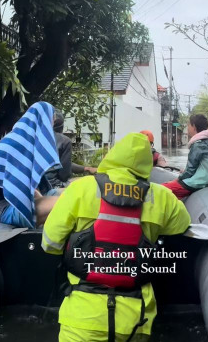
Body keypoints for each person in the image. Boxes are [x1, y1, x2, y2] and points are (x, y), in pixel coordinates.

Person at [41, 132, 191, 342]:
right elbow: (181, 225)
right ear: (147, 163)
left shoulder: (80, 189)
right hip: (136, 320)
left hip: (82, 317)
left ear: (113, 155)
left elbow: (50, 243)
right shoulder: (162, 197)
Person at [0, 102, 63, 229]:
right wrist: (43, 200)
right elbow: (17, 189)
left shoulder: (26, 143)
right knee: (68, 202)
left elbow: (28, 186)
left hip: (22, 202)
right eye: (51, 121)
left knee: (74, 192)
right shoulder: (13, 145)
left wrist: (42, 198)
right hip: (5, 209)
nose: (51, 127)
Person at [160, 114, 208, 200]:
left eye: (189, 125)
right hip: (207, 180)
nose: (187, 128)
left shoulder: (198, 144)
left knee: (161, 189)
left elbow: (190, 170)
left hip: (199, 182)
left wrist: (178, 179)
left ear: (194, 127)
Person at [44, 109, 97, 189]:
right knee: (89, 184)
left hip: (34, 187)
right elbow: (64, 175)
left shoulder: (33, 137)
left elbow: (62, 164)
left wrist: (86, 168)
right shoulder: (64, 141)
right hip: (51, 187)